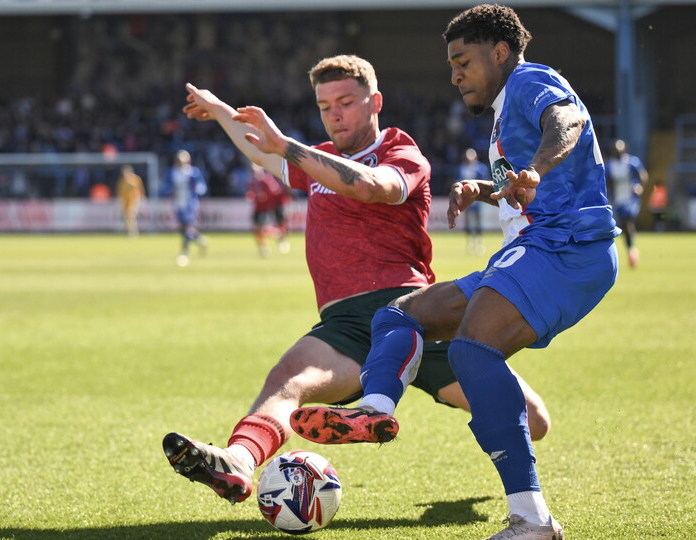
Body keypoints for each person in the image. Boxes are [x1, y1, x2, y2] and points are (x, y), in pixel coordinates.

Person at [162, 54, 551, 509]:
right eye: (326, 106)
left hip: (415, 315)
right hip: (345, 323)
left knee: (534, 418)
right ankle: (237, 463)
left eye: (346, 101)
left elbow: (370, 186)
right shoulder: (318, 160)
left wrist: (287, 146)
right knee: (288, 379)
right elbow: (258, 146)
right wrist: (218, 110)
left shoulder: (400, 152)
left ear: (375, 102)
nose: (335, 114)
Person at [290, 6, 620, 539]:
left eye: (462, 61)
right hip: (536, 249)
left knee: (471, 350)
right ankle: (375, 408)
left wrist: (536, 165)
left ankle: (531, 521)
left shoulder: (532, 80)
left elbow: (569, 121)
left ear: (500, 52)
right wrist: (488, 191)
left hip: (566, 247)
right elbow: (531, 190)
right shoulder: (504, 110)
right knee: (401, 314)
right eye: (451, 64)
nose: (455, 75)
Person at [605, 139, 648, 268]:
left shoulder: (631, 162)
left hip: (631, 198)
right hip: (619, 199)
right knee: (625, 223)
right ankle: (631, 248)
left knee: (628, 220)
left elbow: (643, 175)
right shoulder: (609, 165)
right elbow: (605, 181)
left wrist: (640, 186)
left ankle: (631, 251)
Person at [162, 149, 208, 266]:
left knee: (188, 227)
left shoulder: (192, 172)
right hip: (178, 203)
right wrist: (169, 190)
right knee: (183, 228)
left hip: (190, 203)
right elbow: (167, 186)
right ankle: (199, 239)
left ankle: (184, 252)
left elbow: (201, 186)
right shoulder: (172, 172)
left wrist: (197, 188)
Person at [246, 163, 291, 257]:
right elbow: (250, 192)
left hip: (265, 208)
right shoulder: (252, 181)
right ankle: (263, 247)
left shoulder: (266, 180)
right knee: (256, 229)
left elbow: (274, 191)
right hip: (257, 208)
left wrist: (263, 195)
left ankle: (277, 235)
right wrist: (251, 196)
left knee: (262, 228)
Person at [457, 148, 489, 254]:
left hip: (478, 198)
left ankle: (479, 243)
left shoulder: (480, 168)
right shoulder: (462, 168)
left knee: (477, 220)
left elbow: (485, 182)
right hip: (466, 198)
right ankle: (470, 243)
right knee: (468, 221)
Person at [116, 165, 145, 237]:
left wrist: (141, 199)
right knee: (127, 217)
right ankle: (130, 231)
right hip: (126, 202)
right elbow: (120, 192)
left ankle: (133, 233)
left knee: (131, 215)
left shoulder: (135, 179)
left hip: (134, 200)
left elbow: (140, 190)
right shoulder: (122, 181)